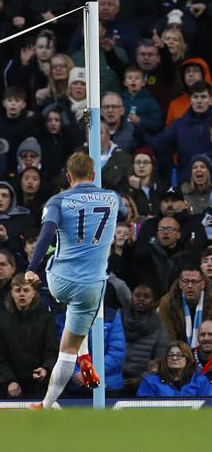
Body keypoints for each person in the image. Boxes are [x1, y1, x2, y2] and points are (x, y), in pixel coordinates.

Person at [26, 152, 124, 409]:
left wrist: (31, 268)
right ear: (93, 175)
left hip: (60, 279)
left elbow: (47, 231)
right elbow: (123, 213)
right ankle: (48, 401)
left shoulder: (58, 200)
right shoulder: (113, 199)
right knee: (67, 348)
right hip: (93, 284)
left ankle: (83, 357)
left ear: (69, 177)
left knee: (63, 298)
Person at [121, 284, 169, 395]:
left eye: (146, 296)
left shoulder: (159, 327)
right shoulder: (118, 319)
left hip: (142, 383)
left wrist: (141, 380)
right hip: (114, 379)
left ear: (153, 301)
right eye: (137, 295)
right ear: (131, 298)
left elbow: (160, 360)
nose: (141, 299)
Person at [158, 265, 212, 344]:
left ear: (202, 284)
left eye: (194, 281)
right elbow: (168, 338)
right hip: (178, 352)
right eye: (186, 281)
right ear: (180, 284)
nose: (190, 286)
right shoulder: (167, 302)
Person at [136, 341, 212, 397]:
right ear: (166, 359)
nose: (174, 358)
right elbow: (144, 409)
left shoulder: (200, 381)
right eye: (170, 355)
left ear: (188, 359)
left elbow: (208, 407)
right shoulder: (151, 382)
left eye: (179, 355)